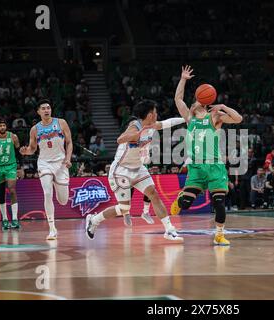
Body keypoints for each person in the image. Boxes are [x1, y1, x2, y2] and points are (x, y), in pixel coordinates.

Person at [85, 100, 184, 242]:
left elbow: (167, 123)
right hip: (121, 170)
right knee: (124, 208)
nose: (157, 114)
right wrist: (134, 136)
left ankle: (169, 229)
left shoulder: (152, 125)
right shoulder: (134, 126)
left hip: (138, 168)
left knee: (153, 194)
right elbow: (120, 139)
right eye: (155, 112)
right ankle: (94, 220)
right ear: (150, 115)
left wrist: (186, 119)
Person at [170, 65, 243, 246]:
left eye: (198, 102)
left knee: (219, 203)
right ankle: (181, 198)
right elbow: (178, 98)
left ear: (203, 104)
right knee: (186, 204)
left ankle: (219, 234)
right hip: (196, 167)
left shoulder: (215, 118)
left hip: (215, 166)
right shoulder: (189, 118)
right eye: (194, 102)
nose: (195, 103)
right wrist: (183, 79)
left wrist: (223, 106)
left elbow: (238, 118)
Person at [20, 99, 73, 240]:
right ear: (38, 112)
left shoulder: (61, 123)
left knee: (63, 200)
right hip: (44, 163)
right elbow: (32, 149)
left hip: (61, 163)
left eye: (48, 107)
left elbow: (69, 142)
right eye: (43, 108)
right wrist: (26, 152)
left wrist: (68, 158)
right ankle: (52, 228)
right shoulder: (35, 129)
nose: (46, 110)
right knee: (47, 193)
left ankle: (58, 184)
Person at [121, 114, 185, 226]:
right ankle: (126, 214)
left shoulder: (148, 128)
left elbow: (168, 121)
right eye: (130, 125)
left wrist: (185, 118)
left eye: (134, 124)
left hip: (140, 165)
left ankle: (145, 213)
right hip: (126, 166)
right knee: (128, 191)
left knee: (151, 190)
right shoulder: (128, 136)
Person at [0, 119, 22, 230]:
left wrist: (20, 167)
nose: (2, 127)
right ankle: (5, 219)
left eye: (4, 125)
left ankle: (15, 219)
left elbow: (18, 153)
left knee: (12, 189)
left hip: (11, 166)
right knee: (1, 192)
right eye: (0, 126)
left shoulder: (13, 137)